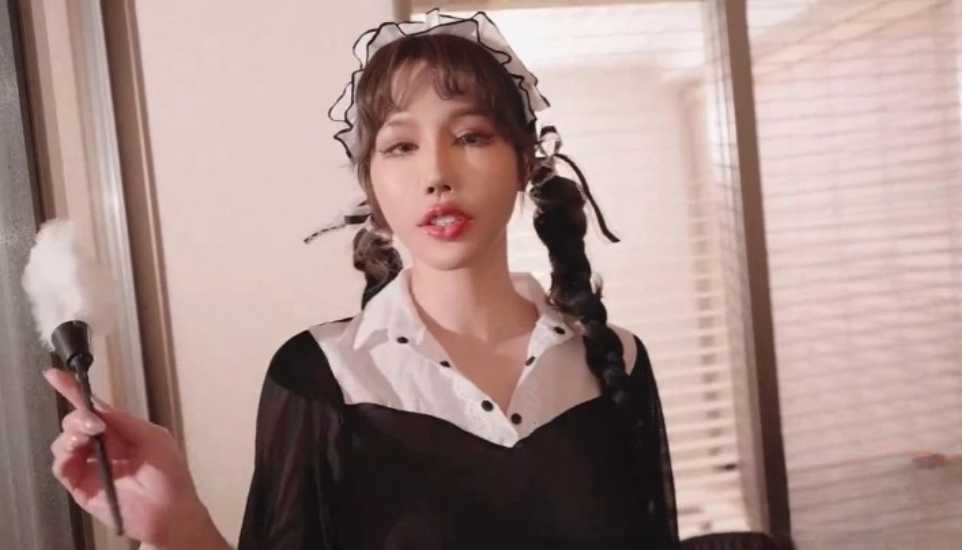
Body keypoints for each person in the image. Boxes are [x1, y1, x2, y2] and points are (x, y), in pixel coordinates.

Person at [45, 10, 679, 550]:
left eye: (471, 136)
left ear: (523, 162)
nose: (438, 173)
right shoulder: (319, 378)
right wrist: (178, 522)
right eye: (401, 146)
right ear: (370, 183)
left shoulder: (614, 361)